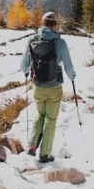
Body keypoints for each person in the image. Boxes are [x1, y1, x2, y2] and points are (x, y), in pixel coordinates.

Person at [20, 11, 76, 162]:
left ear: (42, 24)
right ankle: (45, 154)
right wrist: (72, 77)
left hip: (37, 85)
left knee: (40, 114)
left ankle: (32, 145)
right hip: (54, 86)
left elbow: (24, 64)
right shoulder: (60, 42)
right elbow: (68, 66)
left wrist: (27, 73)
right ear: (55, 26)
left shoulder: (32, 39)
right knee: (51, 119)